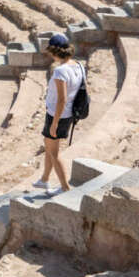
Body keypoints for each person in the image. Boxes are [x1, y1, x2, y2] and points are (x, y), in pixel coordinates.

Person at [34, 34, 83, 196]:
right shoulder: (78, 66)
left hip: (58, 115)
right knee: (49, 147)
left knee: (54, 152)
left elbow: (61, 99)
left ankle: (64, 187)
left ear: (54, 51)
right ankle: (45, 179)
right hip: (66, 114)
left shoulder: (60, 71)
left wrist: (54, 123)